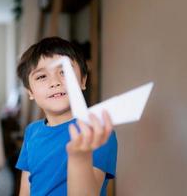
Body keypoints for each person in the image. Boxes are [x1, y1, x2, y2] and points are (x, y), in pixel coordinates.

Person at [16, 37, 117, 196]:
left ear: (83, 80)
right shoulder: (32, 131)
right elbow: (25, 191)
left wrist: (79, 158)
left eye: (65, 72)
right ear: (30, 92)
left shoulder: (97, 131)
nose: (55, 82)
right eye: (42, 77)